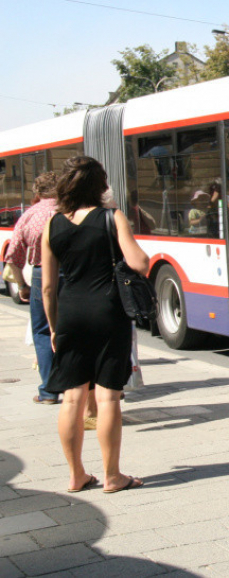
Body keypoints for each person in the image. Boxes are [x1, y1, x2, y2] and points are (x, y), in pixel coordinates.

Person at [41, 156, 149, 494]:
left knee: (72, 398)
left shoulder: (53, 224)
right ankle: (112, 476)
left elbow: (46, 288)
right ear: (100, 186)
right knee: (108, 398)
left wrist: (55, 328)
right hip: (107, 314)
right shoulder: (111, 217)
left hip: (71, 315)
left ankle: (76, 475)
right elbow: (140, 263)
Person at [4, 171, 59, 405]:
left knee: (43, 330)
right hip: (74, 273)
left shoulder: (31, 214)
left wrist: (22, 285)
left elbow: (13, 254)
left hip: (41, 272)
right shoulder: (72, 210)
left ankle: (48, 391)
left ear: (37, 193)